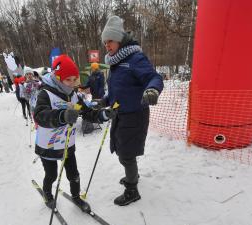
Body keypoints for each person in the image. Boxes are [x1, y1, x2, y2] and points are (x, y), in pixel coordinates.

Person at [34, 54, 115, 212]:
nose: (72, 84)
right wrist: (62, 116)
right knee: (51, 174)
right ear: (58, 77)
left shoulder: (74, 95)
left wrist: (103, 114)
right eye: (67, 80)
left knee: (74, 174)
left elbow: (87, 112)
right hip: (48, 144)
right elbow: (39, 115)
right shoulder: (45, 93)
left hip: (67, 143)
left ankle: (76, 197)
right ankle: (48, 194)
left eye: (74, 79)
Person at [100, 16, 164, 206]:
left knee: (126, 153)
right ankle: (132, 174)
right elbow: (118, 90)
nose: (107, 45)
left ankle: (132, 189)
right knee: (122, 149)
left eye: (110, 40)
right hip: (120, 113)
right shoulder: (115, 62)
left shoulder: (135, 58)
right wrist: (103, 101)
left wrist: (152, 89)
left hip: (135, 113)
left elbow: (154, 77)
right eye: (105, 42)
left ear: (119, 39)